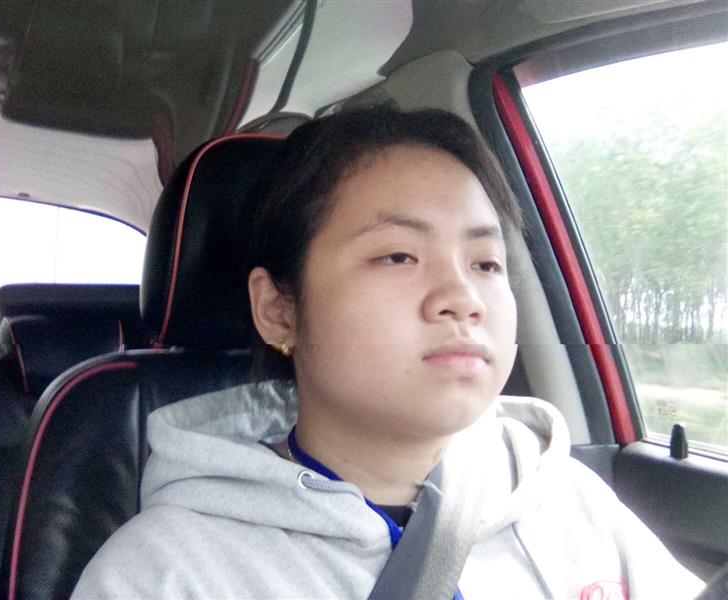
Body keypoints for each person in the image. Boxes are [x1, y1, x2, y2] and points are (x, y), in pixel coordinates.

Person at [72, 107, 703, 599]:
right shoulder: (163, 573)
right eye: (398, 255)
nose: (463, 298)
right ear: (279, 310)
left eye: (486, 263)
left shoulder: (571, 502)